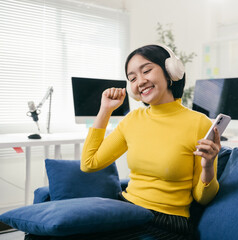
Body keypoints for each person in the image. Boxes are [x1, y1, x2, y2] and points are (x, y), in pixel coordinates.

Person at [80, 44, 221, 240]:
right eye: (132, 78)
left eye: (146, 70)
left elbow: (202, 197)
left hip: (167, 223)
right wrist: (105, 110)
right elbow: (89, 164)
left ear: (170, 71)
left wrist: (207, 167)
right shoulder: (132, 119)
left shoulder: (200, 124)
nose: (140, 81)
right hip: (126, 211)